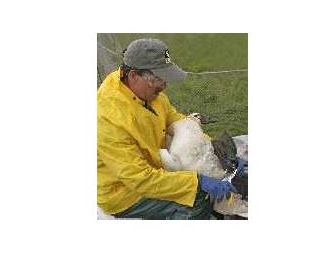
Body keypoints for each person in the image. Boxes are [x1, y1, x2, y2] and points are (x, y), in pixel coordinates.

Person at [97, 38, 237, 219]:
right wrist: (197, 182)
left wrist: (212, 147)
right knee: (198, 199)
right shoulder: (109, 118)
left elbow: (172, 119)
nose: (164, 86)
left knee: (200, 184)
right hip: (125, 193)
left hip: (154, 168)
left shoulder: (147, 93)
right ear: (133, 75)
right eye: (159, 79)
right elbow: (139, 179)